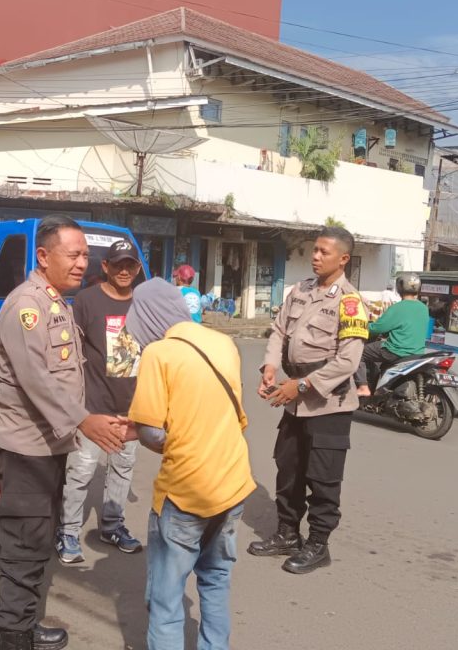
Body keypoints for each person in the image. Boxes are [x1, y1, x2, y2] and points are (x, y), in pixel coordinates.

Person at [0, 215, 130, 650]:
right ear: (43, 256)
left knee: (39, 544)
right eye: (74, 254)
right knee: (23, 551)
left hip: (49, 446)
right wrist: (84, 419)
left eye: (86, 255)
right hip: (25, 451)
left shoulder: (56, 302)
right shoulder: (26, 305)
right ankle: (12, 639)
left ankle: (24, 627)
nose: (82, 263)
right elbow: (36, 379)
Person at [126, 278, 255, 650]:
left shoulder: (159, 354)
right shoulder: (223, 342)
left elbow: (152, 434)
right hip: (233, 483)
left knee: (167, 600)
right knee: (215, 580)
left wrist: (141, 431)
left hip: (185, 493)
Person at [249, 225, 368, 574]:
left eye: (323, 252)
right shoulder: (300, 290)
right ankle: (288, 533)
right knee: (288, 468)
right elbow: (279, 331)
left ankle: (318, 544)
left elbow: (348, 361)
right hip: (294, 399)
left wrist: (299, 387)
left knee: (323, 477)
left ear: (343, 259)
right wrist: (270, 367)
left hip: (328, 403)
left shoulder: (350, 303)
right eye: (314, 250)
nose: (315, 257)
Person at [55, 239, 144, 564]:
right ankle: (68, 532)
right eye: (117, 264)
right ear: (105, 267)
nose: (124, 270)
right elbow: (68, 352)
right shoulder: (86, 300)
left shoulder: (143, 304)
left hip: (131, 410)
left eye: (130, 265)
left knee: (122, 471)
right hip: (92, 409)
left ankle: (112, 526)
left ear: (137, 268)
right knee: (81, 473)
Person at [354, 272, 429, 397]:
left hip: (395, 351)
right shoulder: (423, 308)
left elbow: (378, 328)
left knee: (358, 352)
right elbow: (406, 326)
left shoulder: (397, 308)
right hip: (417, 353)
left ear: (399, 287)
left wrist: (362, 327)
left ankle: (363, 387)